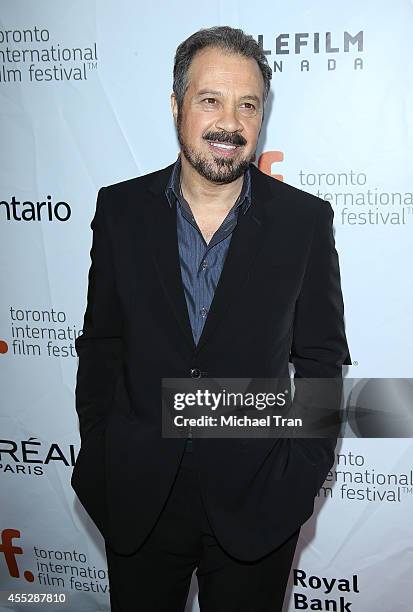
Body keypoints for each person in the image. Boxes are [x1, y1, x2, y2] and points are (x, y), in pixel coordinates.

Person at [71, 25, 351, 612]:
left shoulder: (304, 222)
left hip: (258, 504)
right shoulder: (119, 211)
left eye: (248, 105)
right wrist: (100, 453)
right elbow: (102, 344)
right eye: (210, 100)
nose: (231, 123)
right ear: (177, 105)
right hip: (138, 496)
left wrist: (300, 476)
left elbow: (321, 358)